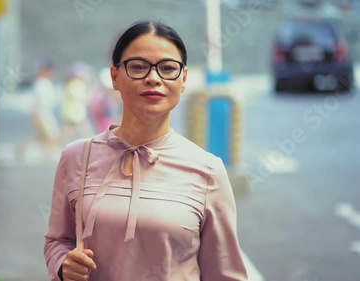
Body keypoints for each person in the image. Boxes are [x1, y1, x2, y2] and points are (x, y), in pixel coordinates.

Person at [44, 20, 248, 281]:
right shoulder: (76, 157)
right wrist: (63, 265)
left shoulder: (208, 170)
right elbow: (57, 241)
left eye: (167, 68)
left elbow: (224, 274)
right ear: (115, 77)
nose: (154, 78)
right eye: (138, 67)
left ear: (183, 79)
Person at [16, 60, 61, 161]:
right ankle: (47, 154)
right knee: (51, 135)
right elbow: (35, 103)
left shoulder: (45, 83)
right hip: (41, 114)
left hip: (47, 113)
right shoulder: (39, 84)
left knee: (43, 136)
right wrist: (34, 117)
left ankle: (23, 147)